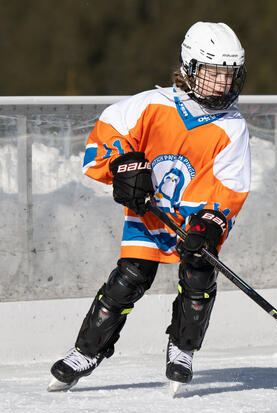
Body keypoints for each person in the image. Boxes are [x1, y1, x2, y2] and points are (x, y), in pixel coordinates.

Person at [48, 21, 250, 391]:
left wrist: (210, 223)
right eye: (213, 74)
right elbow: (107, 138)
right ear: (190, 69)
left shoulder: (232, 126)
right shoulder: (151, 106)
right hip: (149, 212)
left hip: (194, 220)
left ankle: (183, 348)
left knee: (198, 275)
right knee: (129, 278)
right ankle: (86, 351)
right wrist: (123, 167)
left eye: (229, 75)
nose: (223, 84)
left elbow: (230, 185)